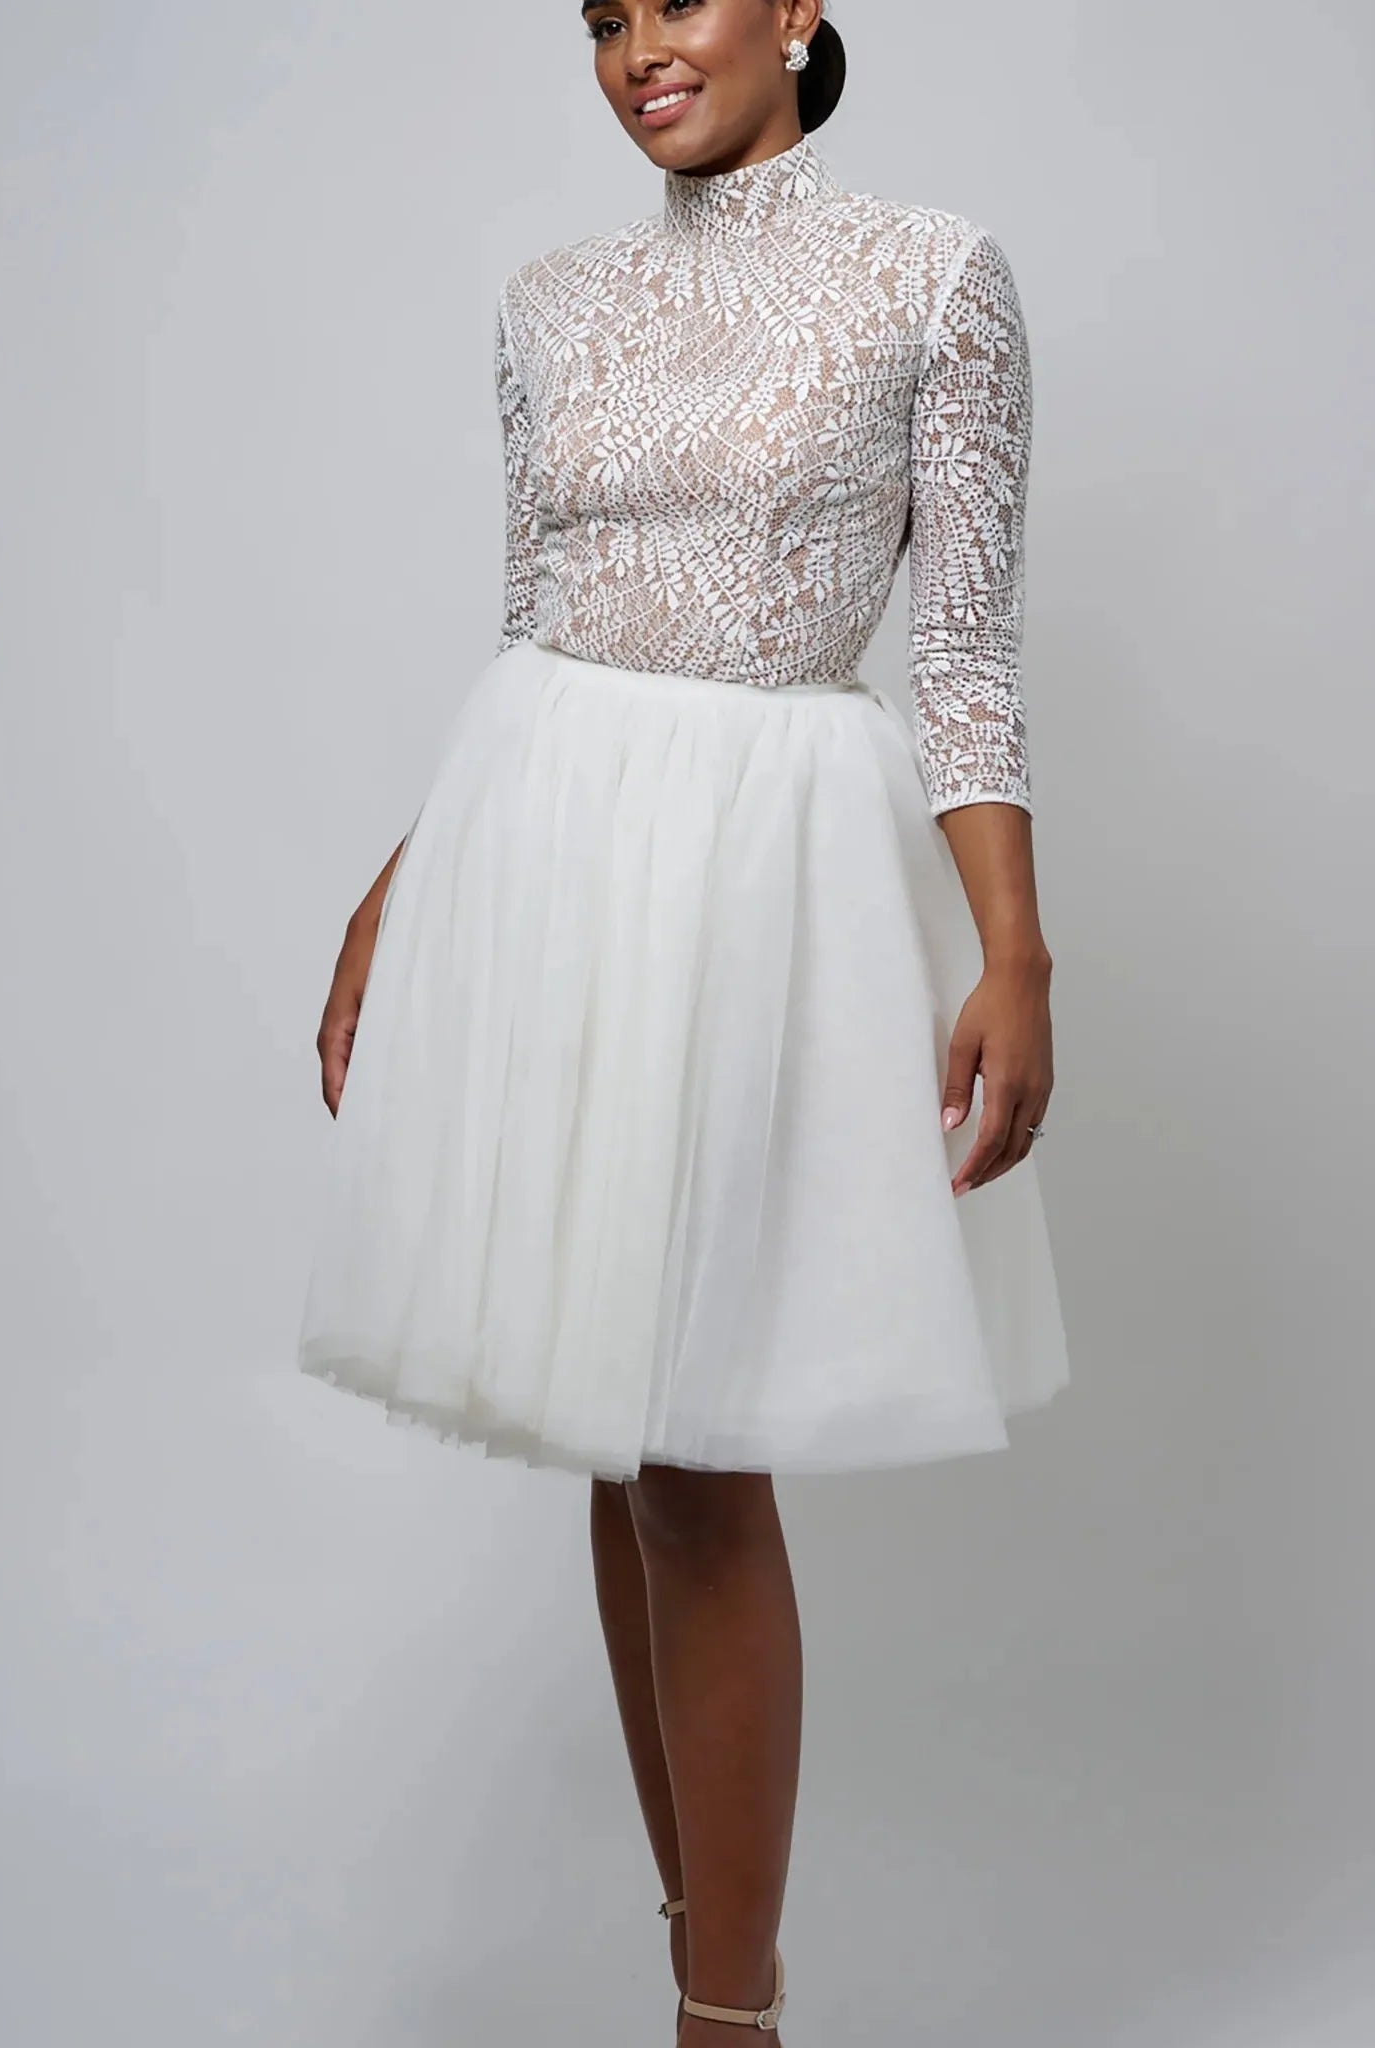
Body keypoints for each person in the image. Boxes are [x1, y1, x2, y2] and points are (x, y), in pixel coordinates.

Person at [295, 1, 1069, 2035]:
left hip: (758, 875)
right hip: (541, 852)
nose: (640, 45)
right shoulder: (549, 303)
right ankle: (704, 1962)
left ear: (796, 7)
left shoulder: (931, 276)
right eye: (605, 15)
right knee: (619, 1429)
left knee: (700, 1452)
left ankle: (730, 2020)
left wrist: (1013, 952)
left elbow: (964, 657)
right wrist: (404, 882)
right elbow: (536, 630)